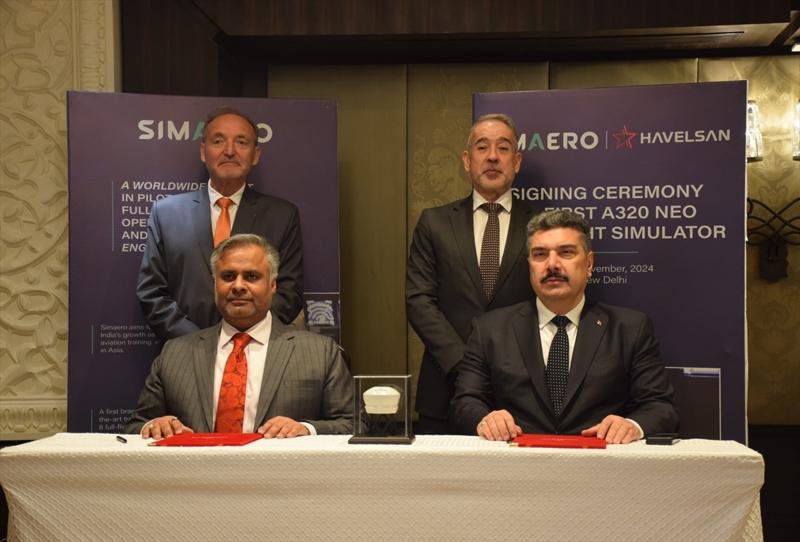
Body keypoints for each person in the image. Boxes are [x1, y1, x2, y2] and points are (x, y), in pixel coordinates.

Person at [451, 210, 678, 443]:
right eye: (540, 254)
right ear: (529, 265)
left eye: (566, 252)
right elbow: (466, 401)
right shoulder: (490, 329)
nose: (552, 264)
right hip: (516, 459)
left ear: (589, 263)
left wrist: (631, 426)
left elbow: (659, 406)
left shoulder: (629, 329)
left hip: (600, 460)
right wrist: (486, 419)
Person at [126, 234, 352, 438]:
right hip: (195, 471)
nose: (238, 286)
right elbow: (136, 427)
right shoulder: (174, 353)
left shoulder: (321, 352)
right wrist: (155, 426)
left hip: (279, 471)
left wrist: (306, 429)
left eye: (252, 276)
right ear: (215, 284)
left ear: (273, 285)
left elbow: (351, 424)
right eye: (228, 276)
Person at [406, 113, 537, 434]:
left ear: (517, 162)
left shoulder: (541, 225)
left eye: (503, 148)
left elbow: (550, 301)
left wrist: (507, 367)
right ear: (467, 161)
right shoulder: (435, 222)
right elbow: (418, 300)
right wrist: (463, 364)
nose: (492, 156)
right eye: (482, 147)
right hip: (446, 389)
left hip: (522, 390)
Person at [137, 106, 304, 341]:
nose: (229, 151)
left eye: (241, 142)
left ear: (255, 154)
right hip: (186, 350)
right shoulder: (166, 214)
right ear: (203, 152)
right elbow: (152, 292)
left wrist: (240, 338)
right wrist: (196, 342)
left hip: (256, 351)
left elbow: (288, 293)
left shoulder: (282, 215)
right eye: (218, 141)